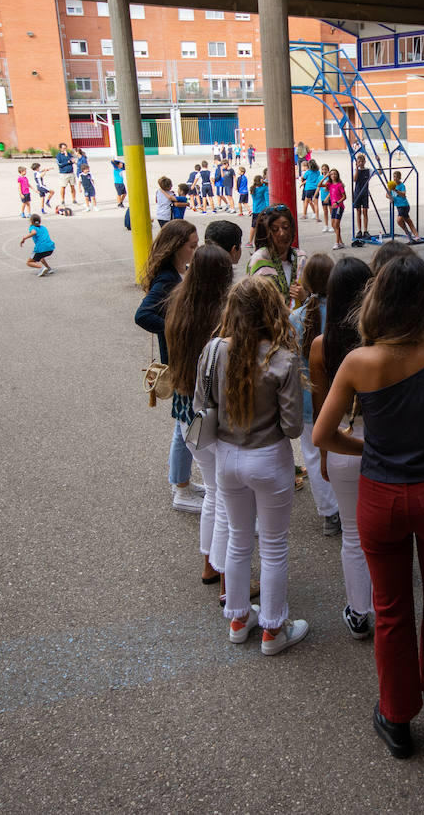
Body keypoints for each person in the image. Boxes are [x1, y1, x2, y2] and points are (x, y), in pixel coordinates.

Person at [313, 253, 424, 759]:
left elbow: (324, 434)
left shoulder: (357, 362)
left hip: (381, 497)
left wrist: (367, 450)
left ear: (378, 301)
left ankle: (397, 717)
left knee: (390, 609)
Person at [209, 277, 309, 656]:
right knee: (273, 547)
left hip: (227, 456)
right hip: (268, 458)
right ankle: (273, 629)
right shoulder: (282, 359)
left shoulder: (215, 349)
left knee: (238, 538)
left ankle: (238, 620)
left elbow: (207, 403)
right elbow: (292, 427)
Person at [308, 257, 376, 638]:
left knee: (352, 534)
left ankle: (358, 610)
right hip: (382, 443)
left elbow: (321, 412)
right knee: (384, 535)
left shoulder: (321, 345)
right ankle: (387, 603)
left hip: (341, 445)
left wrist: (323, 456)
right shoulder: (381, 340)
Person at [165, 243, 235, 597]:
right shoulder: (220, 319)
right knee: (224, 497)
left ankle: (210, 564)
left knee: (214, 493)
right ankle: (228, 580)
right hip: (214, 415)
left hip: (186, 413)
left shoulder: (178, 305)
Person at [134, 219, 205, 512]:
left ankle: (182, 482)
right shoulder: (166, 279)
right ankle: (181, 490)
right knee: (189, 425)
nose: (195, 249)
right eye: (191, 245)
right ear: (177, 247)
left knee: (182, 426)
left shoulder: (178, 272)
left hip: (181, 358)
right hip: (178, 361)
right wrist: (175, 328)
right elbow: (143, 315)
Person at [290, 254, 340, 533]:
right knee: (343, 450)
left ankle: (329, 512)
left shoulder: (295, 318)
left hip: (308, 398)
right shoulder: (343, 314)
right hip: (339, 396)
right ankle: (347, 504)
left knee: (312, 452)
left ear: (306, 281)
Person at [248, 206, 307, 307]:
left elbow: (316, 295)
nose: (282, 233)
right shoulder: (259, 260)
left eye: (286, 227)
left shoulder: (301, 258)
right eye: (275, 229)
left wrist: (304, 296)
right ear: (266, 233)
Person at [387, 171, 418, 241]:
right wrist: (390, 197)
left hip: (404, 206)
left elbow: (403, 194)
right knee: (408, 221)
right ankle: (415, 235)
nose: (395, 179)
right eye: (394, 177)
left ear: (400, 178)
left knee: (399, 220)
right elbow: (387, 194)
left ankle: (408, 233)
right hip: (399, 206)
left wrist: (396, 190)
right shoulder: (391, 185)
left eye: (397, 177)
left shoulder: (401, 185)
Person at [351, 153, 373, 239]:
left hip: (365, 193)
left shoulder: (368, 170)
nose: (360, 163)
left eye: (362, 161)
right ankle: (359, 230)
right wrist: (357, 169)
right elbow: (355, 179)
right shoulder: (355, 170)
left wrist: (378, 161)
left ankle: (365, 230)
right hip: (357, 193)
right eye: (358, 161)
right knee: (358, 212)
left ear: (365, 162)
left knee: (365, 212)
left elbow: (379, 172)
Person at [327, 168, 348, 250]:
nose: (333, 176)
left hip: (339, 206)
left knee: (336, 224)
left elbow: (344, 197)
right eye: (331, 174)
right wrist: (326, 176)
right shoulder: (330, 184)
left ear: (337, 175)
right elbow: (319, 185)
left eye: (335, 174)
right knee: (333, 224)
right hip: (333, 207)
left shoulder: (339, 185)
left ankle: (337, 243)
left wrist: (338, 202)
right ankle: (341, 242)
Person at [55, 143, 78, 208]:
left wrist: (67, 156)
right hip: (63, 173)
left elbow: (72, 160)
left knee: (72, 186)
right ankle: (62, 200)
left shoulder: (69, 154)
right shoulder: (58, 155)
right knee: (63, 187)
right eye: (63, 148)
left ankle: (74, 199)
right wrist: (67, 162)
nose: (65, 149)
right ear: (60, 149)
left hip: (71, 172)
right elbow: (60, 164)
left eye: (65, 148)